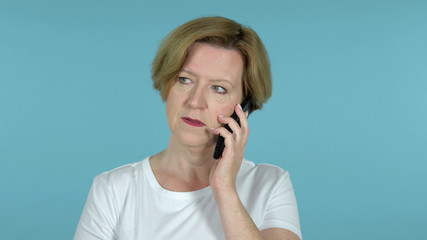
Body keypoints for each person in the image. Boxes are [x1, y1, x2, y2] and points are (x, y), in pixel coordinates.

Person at [74, 16, 302, 240]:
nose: (195, 102)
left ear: (244, 107)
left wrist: (224, 189)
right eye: (185, 80)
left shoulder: (270, 185)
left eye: (219, 88)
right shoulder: (113, 189)